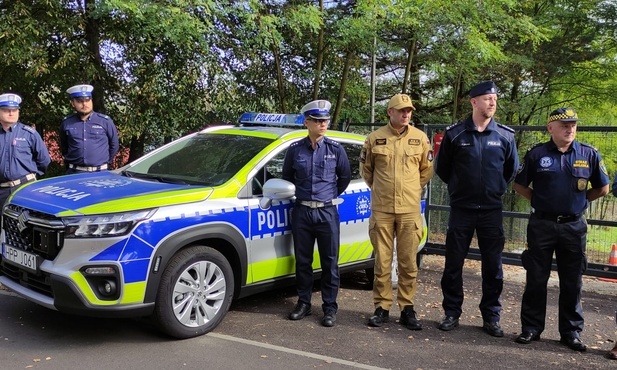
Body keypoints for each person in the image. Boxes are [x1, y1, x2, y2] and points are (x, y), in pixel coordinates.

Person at [513, 108, 609, 352]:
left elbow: (603, 188)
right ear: (550, 128)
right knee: (535, 278)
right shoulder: (537, 154)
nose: (570, 128)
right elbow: (520, 185)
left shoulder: (589, 154)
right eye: (564, 125)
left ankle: (571, 332)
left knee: (572, 281)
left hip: (573, 227)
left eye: (573, 124)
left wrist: (580, 202)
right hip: (542, 225)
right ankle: (531, 328)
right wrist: (540, 201)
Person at [434, 81, 518, 337]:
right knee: (453, 265)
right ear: (473, 102)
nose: (492, 102)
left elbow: (510, 170)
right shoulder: (455, 134)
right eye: (487, 98)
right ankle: (451, 312)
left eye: (495, 98)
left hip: (491, 211)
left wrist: (493, 190)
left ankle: (491, 317)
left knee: (493, 267)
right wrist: (462, 189)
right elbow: (443, 169)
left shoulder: (505, 136)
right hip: (462, 209)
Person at [360, 93, 433, 330]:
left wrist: (410, 191)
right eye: (401, 110)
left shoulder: (420, 138)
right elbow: (367, 172)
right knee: (382, 262)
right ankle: (381, 308)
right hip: (382, 210)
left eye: (409, 111)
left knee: (408, 262)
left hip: (409, 211)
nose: (406, 114)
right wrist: (383, 191)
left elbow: (426, 171)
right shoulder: (374, 138)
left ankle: (407, 308)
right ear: (389, 112)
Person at [282, 99, 351, 327]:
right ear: (307, 122)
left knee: (330, 262)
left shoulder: (335, 149)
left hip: (327, 212)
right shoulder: (295, 150)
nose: (323, 124)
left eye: (325, 120)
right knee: (303, 261)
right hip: (302, 211)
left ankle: (330, 308)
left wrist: (326, 197)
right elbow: (287, 179)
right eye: (318, 121)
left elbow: (344, 179)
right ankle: (303, 303)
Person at [0, 93, 51, 206]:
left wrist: (31, 176)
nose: (11, 113)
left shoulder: (29, 133)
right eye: (6, 110)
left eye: (14, 110)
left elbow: (44, 160)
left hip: (25, 187)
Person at [60, 84, 119, 174]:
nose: (84, 104)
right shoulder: (67, 123)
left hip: (100, 173)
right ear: (73, 103)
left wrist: (103, 163)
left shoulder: (105, 121)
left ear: (91, 101)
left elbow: (114, 146)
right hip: (74, 172)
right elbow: (64, 147)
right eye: (80, 101)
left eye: (87, 100)